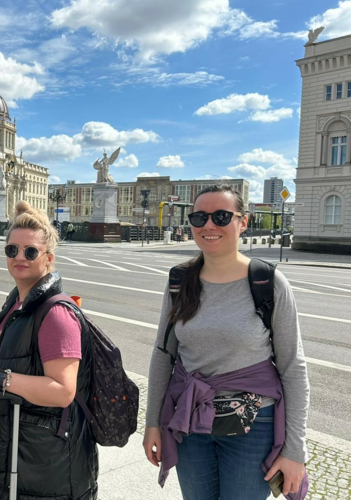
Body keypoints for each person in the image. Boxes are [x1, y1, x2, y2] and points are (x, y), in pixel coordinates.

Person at [143, 185, 309, 500]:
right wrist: (153, 422)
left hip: (253, 424)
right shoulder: (179, 280)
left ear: (242, 222)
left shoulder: (267, 282)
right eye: (199, 217)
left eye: (221, 216)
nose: (209, 225)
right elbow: (163, 355)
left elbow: (293, 367)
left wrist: (295, 450)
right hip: (191, 420)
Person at [0, 201, 97, 500]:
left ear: (48, 259)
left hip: (44, 466)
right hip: (14, 448)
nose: (19, 257)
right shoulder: (17, 307)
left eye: (30, 252)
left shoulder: (56, 313)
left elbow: (62, 390)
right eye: (12, 250)